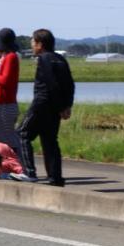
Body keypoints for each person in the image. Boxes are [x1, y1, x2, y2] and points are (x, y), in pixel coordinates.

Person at [18, 28, 74, 186]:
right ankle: (55, 178)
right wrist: (66, 106)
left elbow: (51, 84)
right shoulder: (60, 59)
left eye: (33, 43)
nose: (32, 46)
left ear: (40, 44)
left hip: (42, 103)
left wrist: (60, 105)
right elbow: (70, 85)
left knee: (21, 134)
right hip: (55, 108)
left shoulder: (44, 59)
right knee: (49, 140)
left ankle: (29, 172)